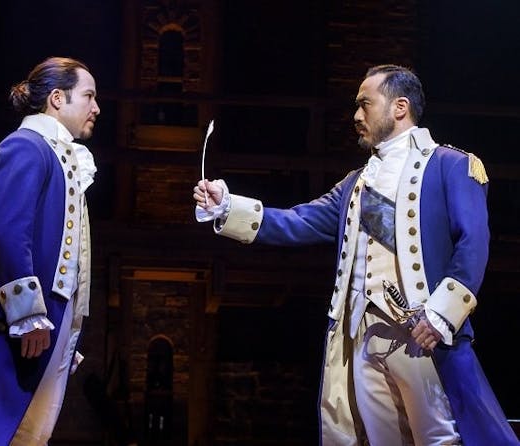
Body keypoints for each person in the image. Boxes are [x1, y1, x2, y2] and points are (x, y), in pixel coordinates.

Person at [193, 64, 519, 445]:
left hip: (422, 333)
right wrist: (227, 206)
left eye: (365, 104)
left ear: (400, 107)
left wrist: (441, 315)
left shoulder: (451, 166)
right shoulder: (354, 185)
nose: (356, 115)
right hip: (362, 337)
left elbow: (473, 243)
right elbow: (299, 221)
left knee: (439, 440)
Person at [0, 56, 101, 446]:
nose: (96, 108)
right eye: (89, 96)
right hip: (20, 320)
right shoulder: (26, 147)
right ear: (57, 98)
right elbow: (10, 233)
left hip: (51, 322)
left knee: (31, 435)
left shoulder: (59, 157)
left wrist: (68, 332)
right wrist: (28, 313)